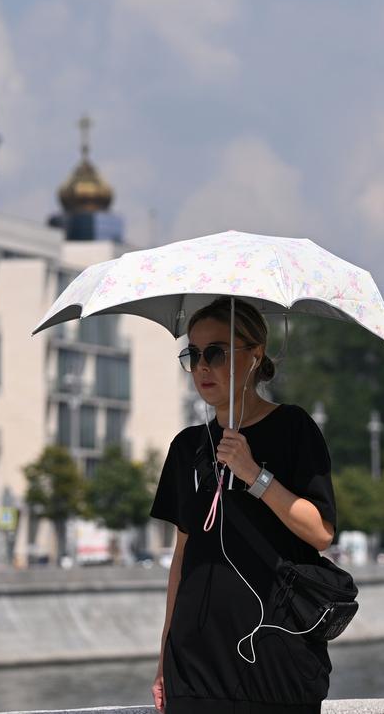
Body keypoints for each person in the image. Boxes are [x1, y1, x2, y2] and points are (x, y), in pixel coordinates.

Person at [150, 297, 338, 714]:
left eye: (216, 353)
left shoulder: (294, 428)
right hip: (195, 664)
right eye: (193, 355)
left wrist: (253, 474)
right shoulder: (187, 447)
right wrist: (165, 654)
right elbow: (182, 557)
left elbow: (321, 532)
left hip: (274, 654)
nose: (202, 367)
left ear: (254, 355)